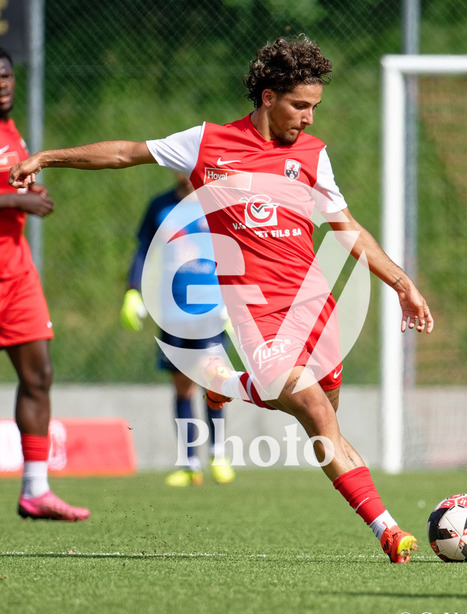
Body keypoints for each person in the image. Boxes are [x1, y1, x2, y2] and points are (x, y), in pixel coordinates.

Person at [9, 35, 433, 561]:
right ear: (268, 97)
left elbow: (347, 231)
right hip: (258, 317)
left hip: (315, 312)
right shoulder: (206, 143)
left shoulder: (312, 156)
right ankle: (387, 529)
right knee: (316, 412)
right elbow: (125, 153)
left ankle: (229, 383)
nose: (309, 118)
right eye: (300, 105)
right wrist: (47, 157)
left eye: (315, 107)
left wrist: (401, 284)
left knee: (323, 421)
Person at [0, 48, 90, 521]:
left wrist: (27, 193)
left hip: (16, 275)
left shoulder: (11, 130)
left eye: (6, 75)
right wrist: (16, 202)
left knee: (39, 376)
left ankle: (35, 490)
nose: (2, 84)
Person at [120, 172, 235, 487]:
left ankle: (218, 454)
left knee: (214, 380)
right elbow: (143, 250)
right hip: (172, 312)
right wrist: (133, 290)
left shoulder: (218, 204)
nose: (183, 171)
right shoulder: (160, 206)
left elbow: (239, 249)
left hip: (211, 310)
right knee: (183, 387)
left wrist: (236, 295)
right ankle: (189, 464)